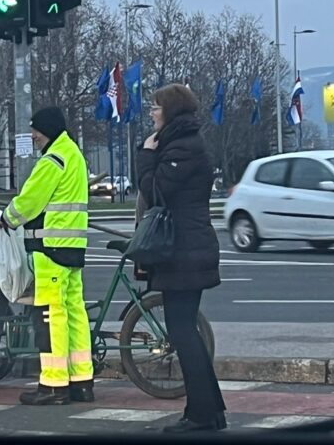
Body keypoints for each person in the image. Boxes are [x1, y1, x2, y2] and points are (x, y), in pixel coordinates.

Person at [135, 83, 226, 433]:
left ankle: (202, 416)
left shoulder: (182, 147)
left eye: (156, 107)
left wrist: (145, 155)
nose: (152, 113)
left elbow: (156, 191)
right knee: (185, 330)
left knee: (183, 332)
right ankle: (209, 411)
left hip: (184, 251)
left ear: (170, 110)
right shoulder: (181, 143)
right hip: (186, 248)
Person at [0, 106, 94, 406]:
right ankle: (81, 381)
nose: (33, 135)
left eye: (35, 129)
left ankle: (53, 385)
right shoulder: (73, 154)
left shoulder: (53, 159)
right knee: (74, 312)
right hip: (73, 248)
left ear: (47, 129)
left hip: (51, 248)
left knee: (50, 316)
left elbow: (30, 201)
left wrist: (6, 217)